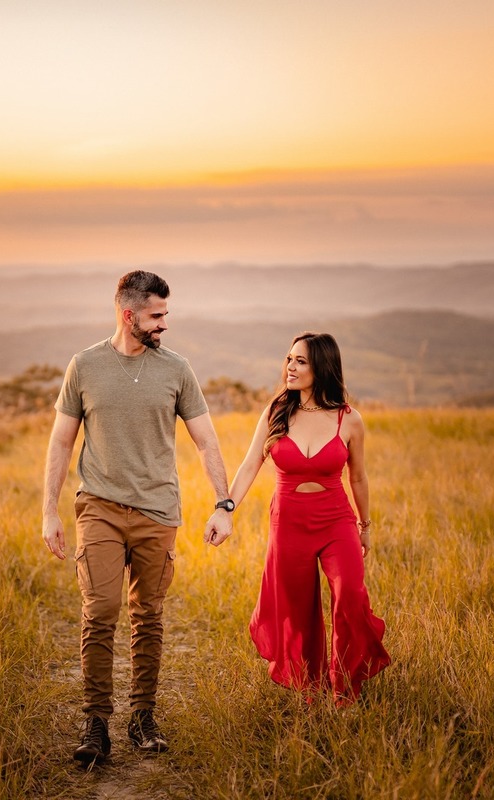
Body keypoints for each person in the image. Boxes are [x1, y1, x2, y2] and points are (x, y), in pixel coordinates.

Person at [42, 270, 235, 766]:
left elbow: (206, 441)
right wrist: (49, 512)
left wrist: (223, 503)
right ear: (129, 315)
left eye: (165, 314)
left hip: (157, 512)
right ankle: (95, 722)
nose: (164, 323)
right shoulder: (84, 366)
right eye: (156, 315)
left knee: (148, 615)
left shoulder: (177, 369)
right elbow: (61, 442)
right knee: (101, 609)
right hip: (99, 507)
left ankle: (143, 717)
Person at [227, 332, 390, 702]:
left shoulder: (349, 420)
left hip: (336, 520)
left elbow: (358, 477)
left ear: (322, 367)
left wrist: (365, 526)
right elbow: (251, 464)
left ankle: (344, 688)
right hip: (288, 523)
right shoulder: (276, 412)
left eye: (300, 361)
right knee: (297, 609)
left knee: (350, 595)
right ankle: (310, 689)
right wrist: (226, 508)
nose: (290, 367)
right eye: (289, 359)